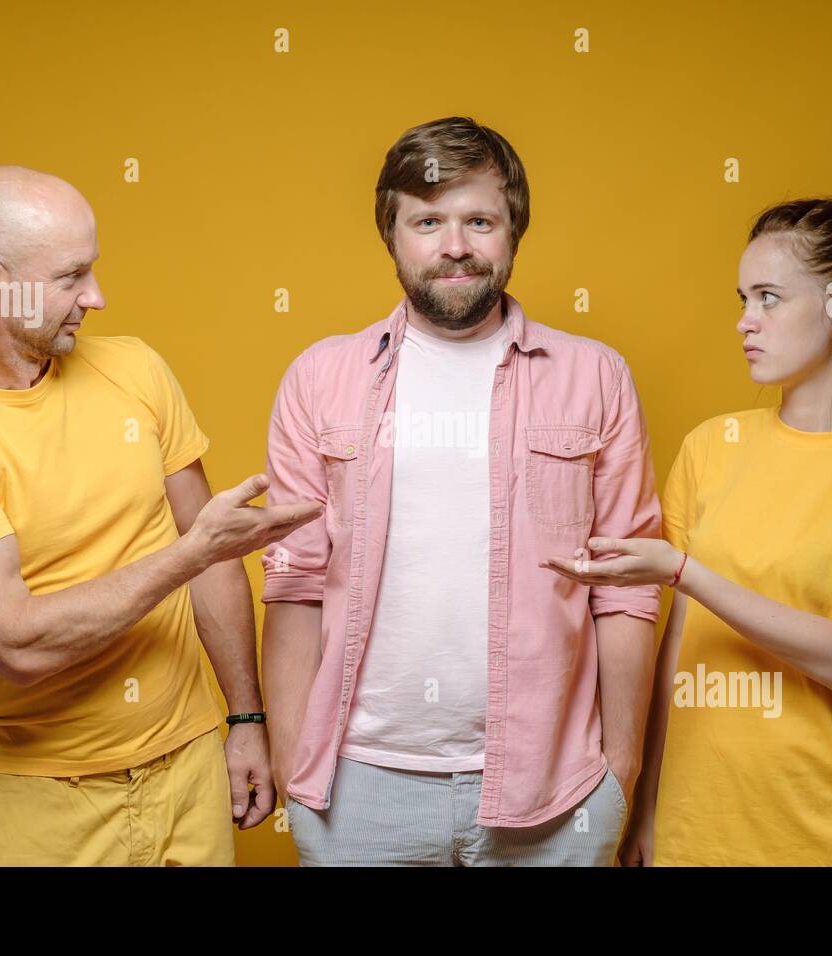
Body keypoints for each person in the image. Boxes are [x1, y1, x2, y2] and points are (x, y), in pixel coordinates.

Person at [0, 165, 321, 866]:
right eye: (71, 276)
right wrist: (189, 553)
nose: (96, 297)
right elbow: (18, 644)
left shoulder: (136, 370)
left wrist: (246, 719)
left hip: (190, 773)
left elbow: (216, 563)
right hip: (37, 804)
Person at [260, 116, 662, 866]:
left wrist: (621, 768)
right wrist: (291, 761)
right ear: (392, 234)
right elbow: (293, 582)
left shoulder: (595, 376)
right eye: (428, 221)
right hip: (356, 788)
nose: (455, 245)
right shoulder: (320, 378)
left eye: (479, 220)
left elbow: (627, 589)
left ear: (513, 232)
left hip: (555, 785)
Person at [544, 182, 832, 866]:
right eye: (743, 300)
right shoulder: (712, 447)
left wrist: (684, 572)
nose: (745, 321)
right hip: (694, 836)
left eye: (769, 298)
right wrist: (646, 808)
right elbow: (677, 651)